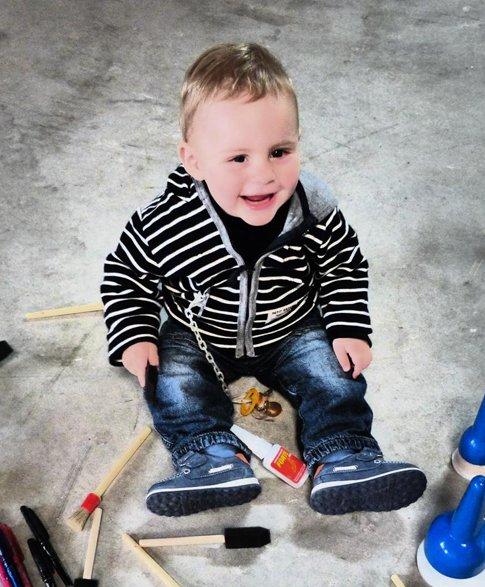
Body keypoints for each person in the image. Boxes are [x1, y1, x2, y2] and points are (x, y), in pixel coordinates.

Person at [101, 42, 426, 517]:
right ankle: (211, 457)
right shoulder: (165, 221)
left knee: (333, 375)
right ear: (194, 161)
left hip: (291, 326)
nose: (264, 174)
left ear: (298, 143)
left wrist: (348, 326)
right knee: (171, 379)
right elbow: (125, 274)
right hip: (199, 332)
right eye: (238, 158)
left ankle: (344, 455)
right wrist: (134, 334)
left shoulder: (314, 212)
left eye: (279, 152)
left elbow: (343, 264)